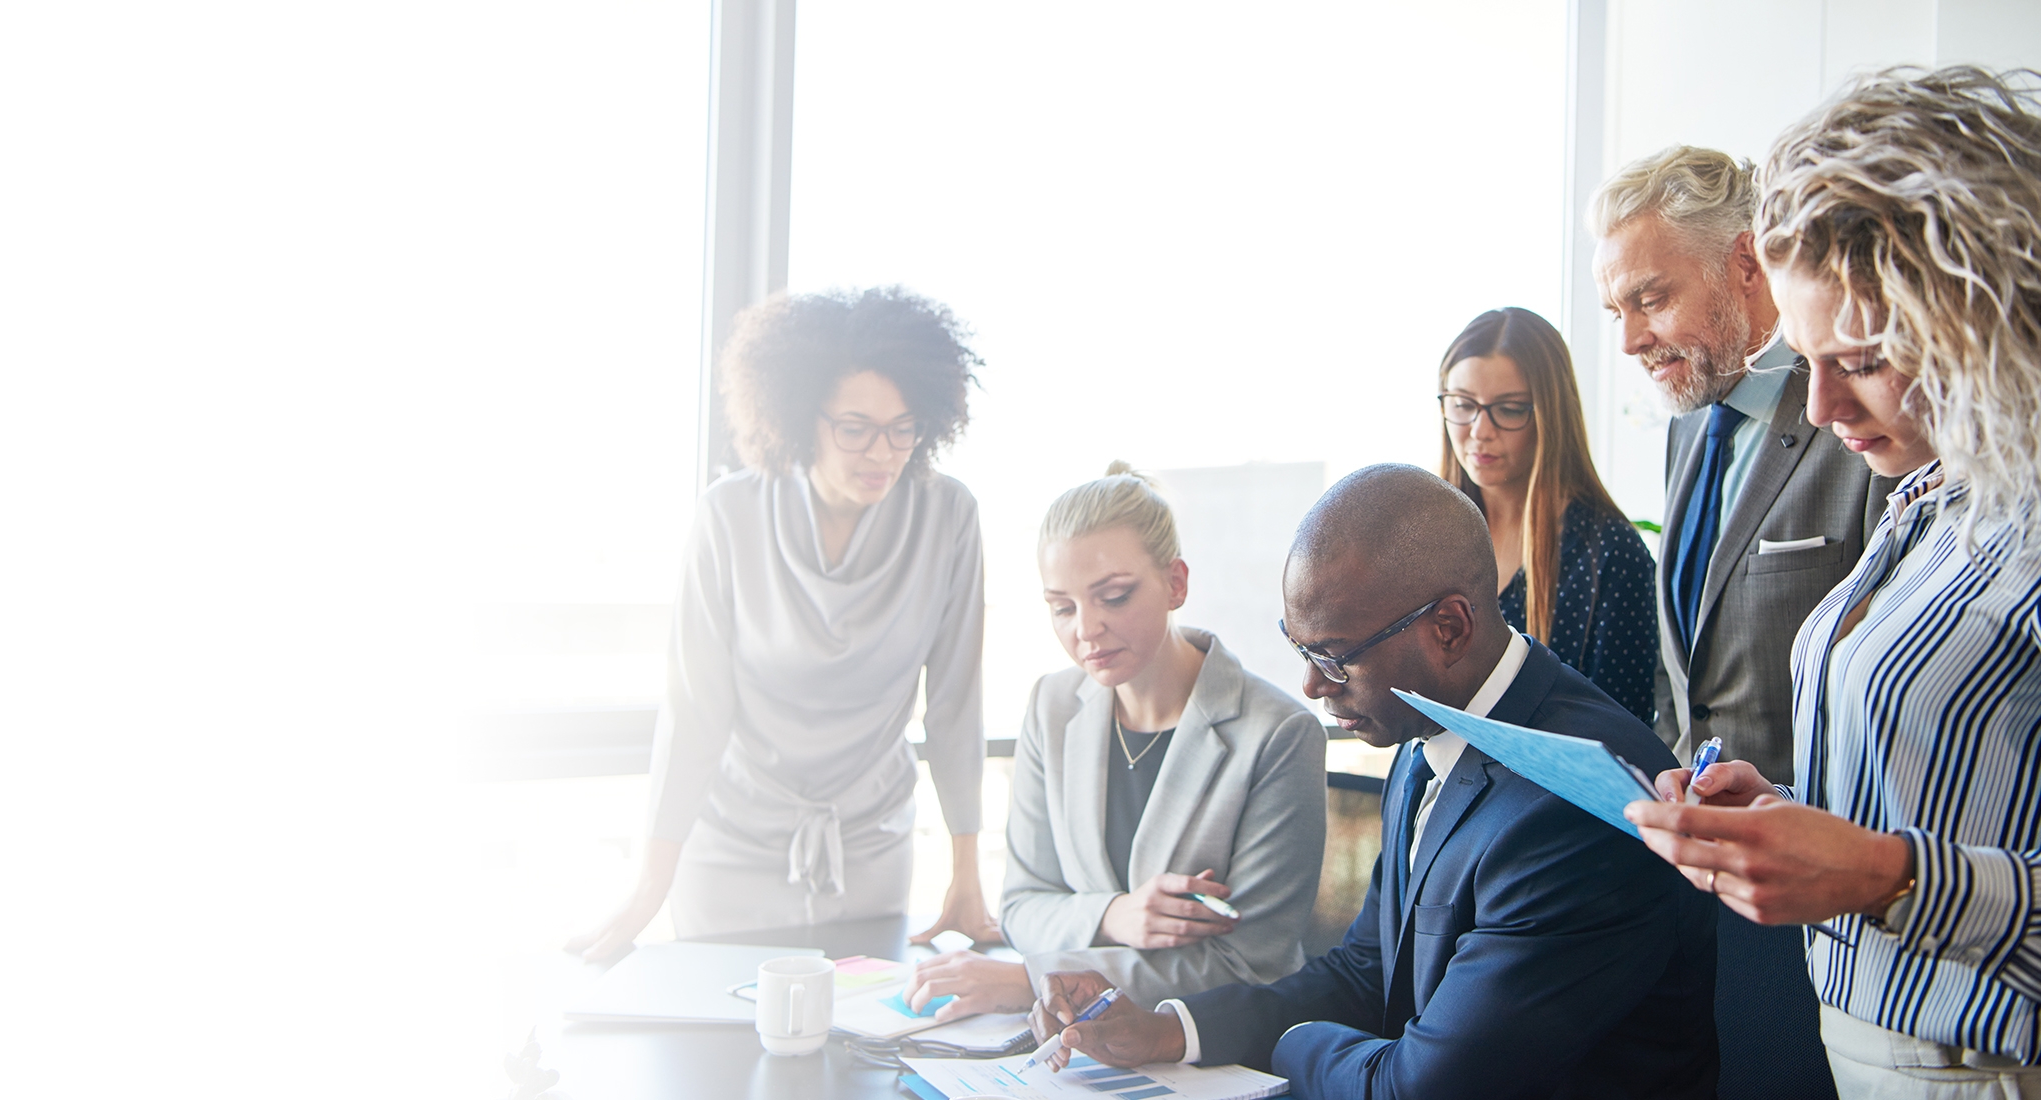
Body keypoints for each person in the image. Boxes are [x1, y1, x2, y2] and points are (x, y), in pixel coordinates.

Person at [1033, 464, 1717, 1099]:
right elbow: (1367, 969)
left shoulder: (1574, 804)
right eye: (1300, 650)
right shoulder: (1426, 726)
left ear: (1448, 627)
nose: (1309, 685)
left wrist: (1293, 1044)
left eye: (1333, 658)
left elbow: (1420, 1087)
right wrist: (1169, 1029)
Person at [1627, 66, 2041, 1098]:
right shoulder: (1931, 493)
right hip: (1858, 1029)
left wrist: (1881, 873)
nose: (1815, 407)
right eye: (1808, 358)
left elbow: (1911, 858)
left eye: (1858, 357)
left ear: (1981, 314)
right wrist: (1789, 809)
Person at [567, 286, 996, 960]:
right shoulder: (729, 515)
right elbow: (694, 714)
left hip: (870, 845)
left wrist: (966, 876)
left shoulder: (949, 517)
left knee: (860, 1049)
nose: (882, 452)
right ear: (800, 418)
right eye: (854, 428)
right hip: (733, 843)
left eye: (903, 428)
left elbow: (954, 708)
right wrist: (650, 885)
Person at [900, 465, 1324, 1022]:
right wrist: (1114, 915)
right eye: (1062, 606)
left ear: (1176, 583)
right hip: (1070, 1048)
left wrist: (1038, 982)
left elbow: (1250, 964)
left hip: (1205, 1049)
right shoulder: (1052, 706)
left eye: (1115, 597)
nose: (1086, 629)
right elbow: (1022, 908)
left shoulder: (1277, 735)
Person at [1593, 144, 1895, 787]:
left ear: (1747, 263)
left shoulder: (1864, 419)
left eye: (1651, 299)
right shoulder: (1689, 424)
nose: (1629, 340)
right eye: (1616, 312)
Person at [1434, 306, 1657, 721]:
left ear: (1550, 414)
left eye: (1510, 409)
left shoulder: (1610, 553)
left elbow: (1625, 739)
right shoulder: (1427, 539)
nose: (1480, 431)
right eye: (1463, 404)